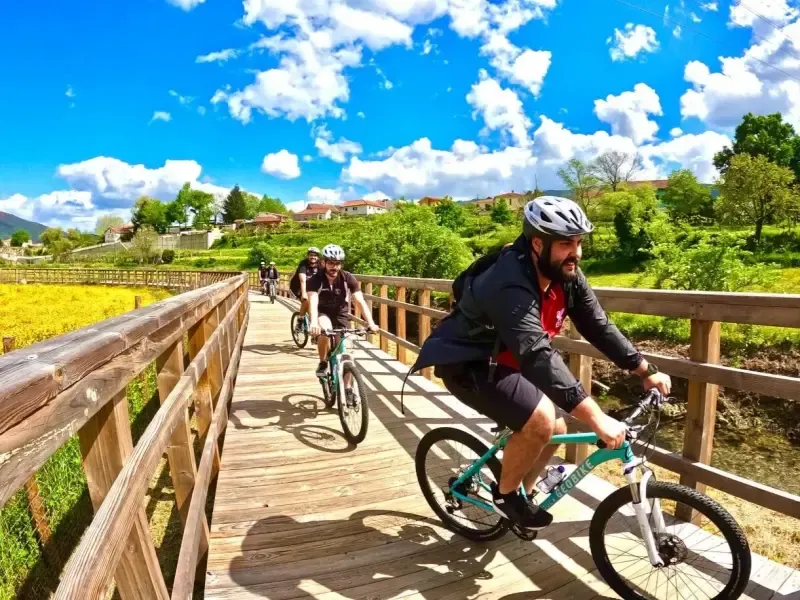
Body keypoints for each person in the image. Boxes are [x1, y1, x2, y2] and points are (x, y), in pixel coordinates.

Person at [410, 196, 672, 531]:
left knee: (558, 428)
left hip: (510, 362)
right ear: (537, 243)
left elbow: (598, 326)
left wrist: (644, 370)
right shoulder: (508, 281)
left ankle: (524, 493)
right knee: (540, 421)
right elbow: (536, 353)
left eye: (578, 242)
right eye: (565, 243)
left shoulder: (566, 273)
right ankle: (506, 497)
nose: (575, 253)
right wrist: (597, 418)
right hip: (470, 363)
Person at [308, 244, 378, 377]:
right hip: (322, 312)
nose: (334, 267)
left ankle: (348, 389)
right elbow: (313, 301)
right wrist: (313, 323)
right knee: (325, 331)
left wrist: (370, 323)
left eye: (338, 263)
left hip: (341, 313)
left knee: (346, 353)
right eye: (331, 263)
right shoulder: (315, 279)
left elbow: (359, 301)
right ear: (323, 263)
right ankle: (323, 362)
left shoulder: (347, 278)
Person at [289, 247, 321, 332]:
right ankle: (300, 320)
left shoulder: (320, 265)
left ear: (318, 257)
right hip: (298, 287)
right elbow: (302, 280)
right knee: (306, 301)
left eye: (315, 256)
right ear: (307, 256)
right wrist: (303, 293)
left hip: (312, 289)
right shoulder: (303, 264)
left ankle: (314, 328)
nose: (313, 257)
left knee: (316, 306)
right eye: (311, 255)